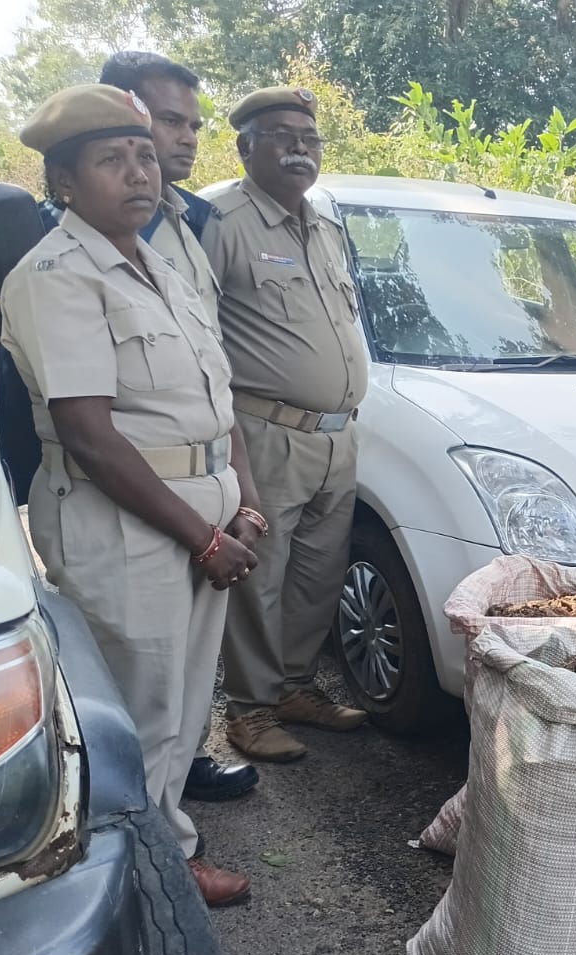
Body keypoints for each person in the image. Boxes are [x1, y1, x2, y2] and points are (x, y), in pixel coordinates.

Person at [0, 84, 262, 905]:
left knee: (183, 713)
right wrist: (205, 536)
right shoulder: (55, 275)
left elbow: (218, 402)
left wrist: (240, 498)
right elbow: (90, 435)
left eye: (145, 154)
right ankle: (134, 885)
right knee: (139, 715)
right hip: (126, 525)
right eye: (111, 160)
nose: (139, 172)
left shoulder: (161, 263)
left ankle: (162, 855)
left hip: (195, 515)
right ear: (64, 183)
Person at [98, 49, 260, 805]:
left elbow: (210, 370)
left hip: (202, 481)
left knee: (186, 671)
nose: (188, 139)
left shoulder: (191, 221)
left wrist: (242, 499)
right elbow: (86, 419)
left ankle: (179, 773)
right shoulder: (70, 240)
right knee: (138, 674)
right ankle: (138, 831)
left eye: (193, 125)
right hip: (127, 493)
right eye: (170, 120)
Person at [203, 86, 369, 762]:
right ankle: (248, 710)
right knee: (261, 576)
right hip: (266, 431)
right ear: (246, 147)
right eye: (281, 135)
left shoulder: (324, 225)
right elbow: (197, 335)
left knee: (316, 576)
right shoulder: (220, 221)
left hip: (338, 434)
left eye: (309, 137)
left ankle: (295, 687)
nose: (300, 147)